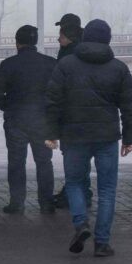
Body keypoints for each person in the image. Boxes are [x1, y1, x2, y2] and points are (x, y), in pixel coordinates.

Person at [45, 18, 132, 257]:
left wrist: (51, 132)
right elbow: (129, 107)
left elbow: (53, 101)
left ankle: (81, 224)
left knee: (75, 183)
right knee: (107, 189)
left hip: (73, 136)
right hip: (106, 137)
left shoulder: (66, 65)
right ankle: (102, 243)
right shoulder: (118, 68)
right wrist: (129, 138)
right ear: (108, 39)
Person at [0, 24, 56, 215]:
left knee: (16, 161)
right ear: (35, 41)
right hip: (42, 122)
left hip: (16, 120)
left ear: (17, 42)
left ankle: (16, 202)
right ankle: (46, 202)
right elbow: (58, 94)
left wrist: (8, 105)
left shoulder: (9, 64)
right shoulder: (50, 63)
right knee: (44, 162)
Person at [51, 13, 82, 210]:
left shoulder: (69, 55)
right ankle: (77, 191)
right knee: (79, 156)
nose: (58, 36)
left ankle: (74, 193)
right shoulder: (84, 49)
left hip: (72, 113)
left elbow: (60, 84)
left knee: (73, 155)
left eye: (61, 31)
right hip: (82, 113)